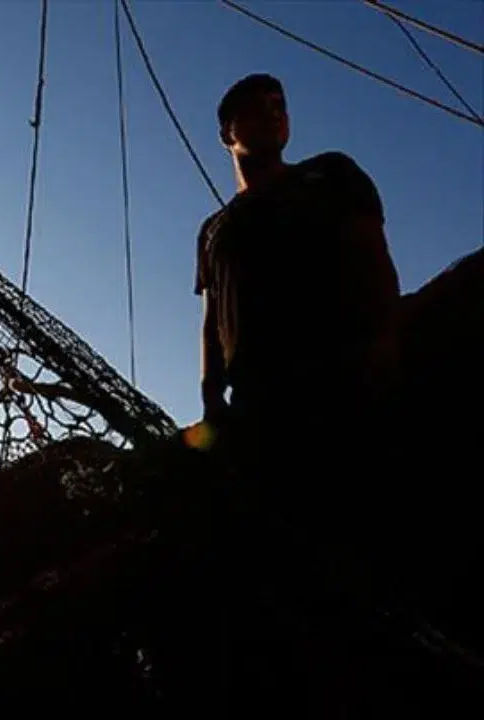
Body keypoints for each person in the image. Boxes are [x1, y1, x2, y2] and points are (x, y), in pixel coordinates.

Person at [185, 72, 401, 711]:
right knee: (282, 566)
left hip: (338, 377)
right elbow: (211, 316)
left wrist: (386, 345)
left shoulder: (329, 176)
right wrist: (209, 398)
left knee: (362, 541)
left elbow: (373, 255)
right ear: (229, 133)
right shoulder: (214, 229)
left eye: (281, 106)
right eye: (257, 110)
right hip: (260, 404)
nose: (275, 116)